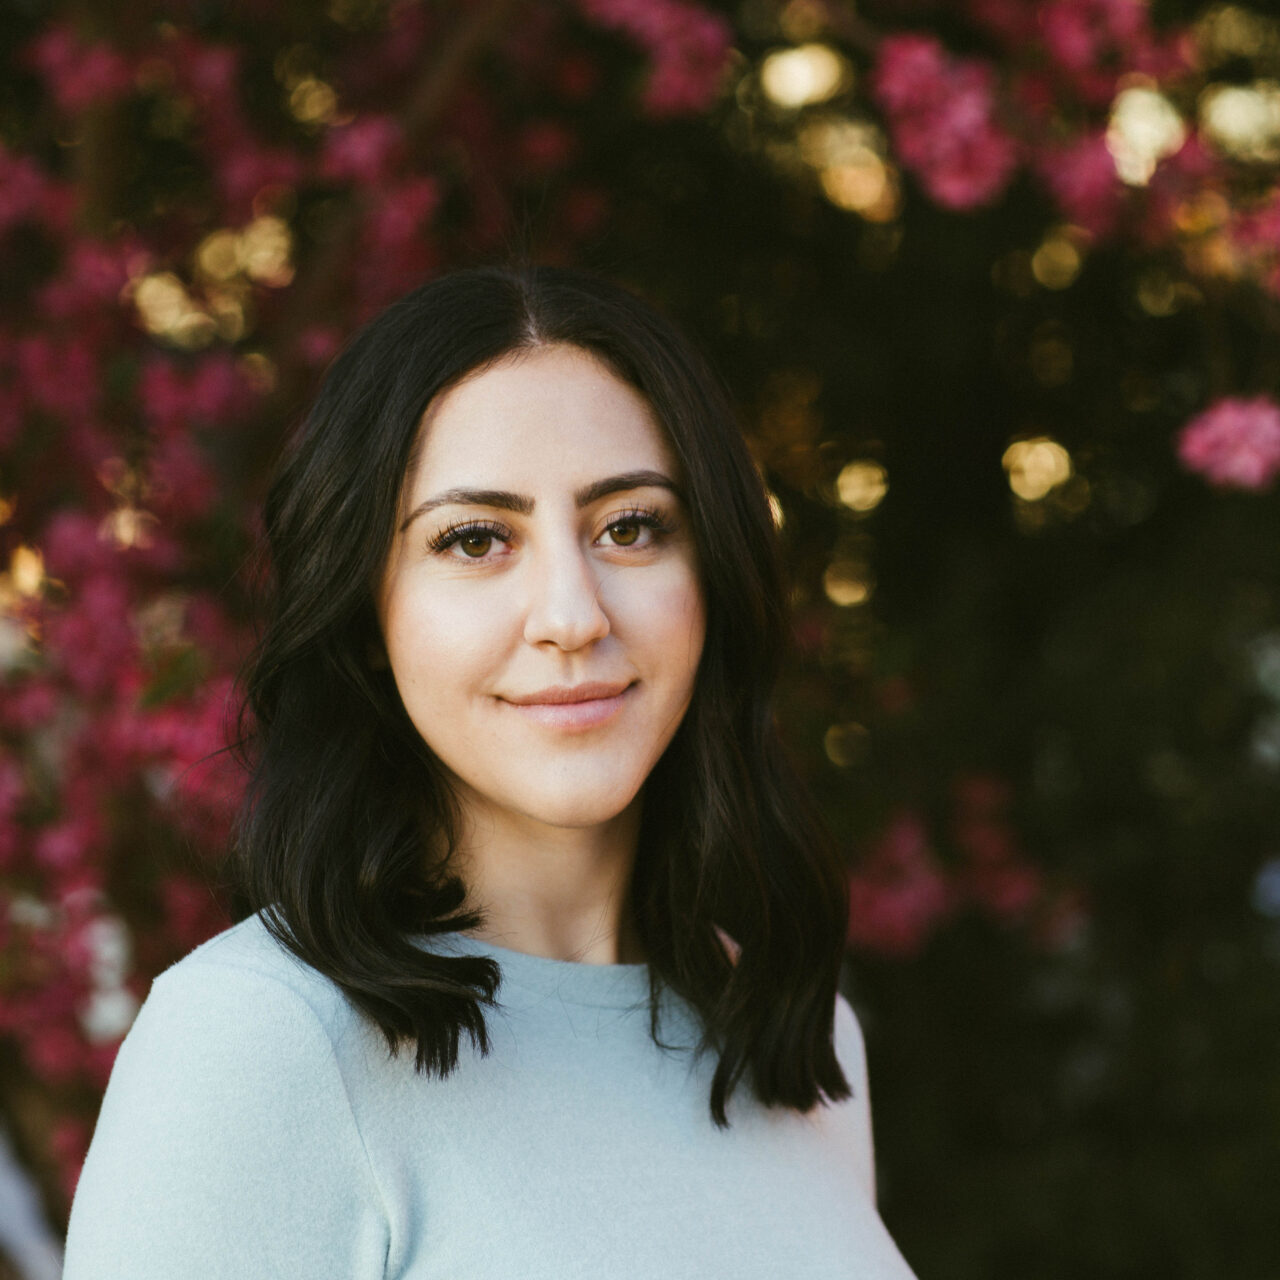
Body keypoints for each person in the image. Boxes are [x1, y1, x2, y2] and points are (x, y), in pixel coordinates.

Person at [62, 265, 918, 1279]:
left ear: (712, 573)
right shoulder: (262, 1040)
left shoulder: (801, 1037)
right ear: (368, 613)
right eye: (474, 539)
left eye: (629, 526)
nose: (572, 613)